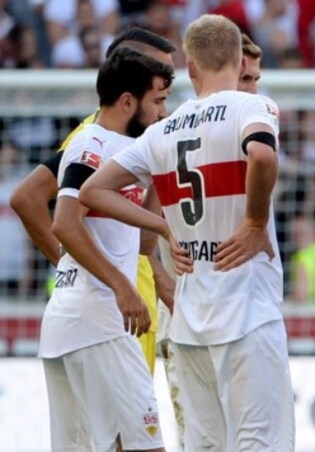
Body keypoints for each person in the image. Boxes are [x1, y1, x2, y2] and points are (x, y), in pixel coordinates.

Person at [79, 14, 294, 450]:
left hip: (192, 321)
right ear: (238, 60)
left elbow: (92, 190)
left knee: (205, 444)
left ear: (190, 68)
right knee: (260, 441)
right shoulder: (254, 106)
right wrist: (253, 223)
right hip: (247, 313)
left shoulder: (163, 130)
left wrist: (164, 227)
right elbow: (264, 158)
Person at [10, 26, 177, 374]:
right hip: (112, 304)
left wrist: (156, 270)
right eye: (158, 88)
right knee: (127, 424)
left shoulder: (137, 138)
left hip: (132, 293)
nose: (165, 100)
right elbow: (28, 198)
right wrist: (76, 268)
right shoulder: (93, 137)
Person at [40, 47, 173, 452]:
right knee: (145, 447)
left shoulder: (127, 151)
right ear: (128, 101)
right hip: (97, 320)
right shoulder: (92, 146)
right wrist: (121, 286)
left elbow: (144, 241)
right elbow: (65, 221)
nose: (163, 111)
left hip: (78, 323)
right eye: (158, 101)